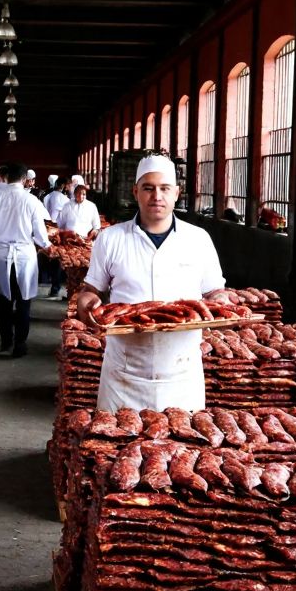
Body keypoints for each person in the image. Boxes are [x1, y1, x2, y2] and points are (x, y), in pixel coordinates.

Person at [74, 155, 233, 412]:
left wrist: (220, 302)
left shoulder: (198, 240)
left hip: (182, 371)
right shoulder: (111, 239)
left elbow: (215, 290)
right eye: (148, 188)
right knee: (119, 448)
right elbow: (92, 290)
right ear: (135, 191)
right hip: (124, 373)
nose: (156, 196)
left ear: (177, 193)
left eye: (164, 188)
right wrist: (87, 302)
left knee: (183, 447)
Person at [0, 162, 52, 358]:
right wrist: (47, 246)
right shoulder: (32, 201)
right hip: (25, 255)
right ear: (25, 179)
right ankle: (20, 344)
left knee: (4, 301)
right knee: (23, 301)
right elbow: (41, 235)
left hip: (1, 254)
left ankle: (6, 341)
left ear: (6, 177)